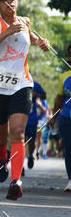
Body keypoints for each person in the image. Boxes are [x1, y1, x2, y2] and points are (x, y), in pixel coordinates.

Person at [0, 0, 49, 200]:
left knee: (17, 131)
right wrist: (6, 33)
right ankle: (2, 159)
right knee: (1, 135)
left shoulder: (25, 21)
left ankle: (16, 181)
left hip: (21, 84)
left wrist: (41, 42)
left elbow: (32, 38)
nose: (10, 2)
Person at [48, 43, 71, 192]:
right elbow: (59, 99)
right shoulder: (64, 77)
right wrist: (53, 117)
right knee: (69, 149)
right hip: (66, 118)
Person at [25, 83, 46, 169]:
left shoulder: (35, 84)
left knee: (31, 140)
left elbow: (44, 96)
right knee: (19, 140)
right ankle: (19, 166)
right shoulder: (14, 81)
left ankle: (30, 155)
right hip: (19, 115)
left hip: (32, 118)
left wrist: (35, 94)